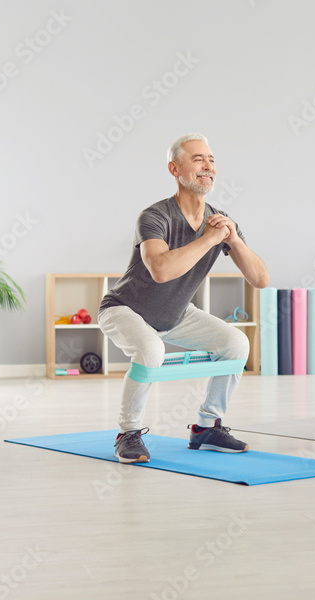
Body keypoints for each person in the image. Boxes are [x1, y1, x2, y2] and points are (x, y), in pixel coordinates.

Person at [98, 134, 269, 464]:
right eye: (197, 159)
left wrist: (234, 239)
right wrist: (209, 240)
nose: (207, 165)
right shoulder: (155, 216)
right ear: (174, 169)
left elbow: (260, 279)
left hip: (176, 314)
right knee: (151, 351)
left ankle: (206, 427)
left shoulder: (221, 222)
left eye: (211, 159)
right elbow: (161, 270)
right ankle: (127, 433)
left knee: (236, 344)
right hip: (124, 309)